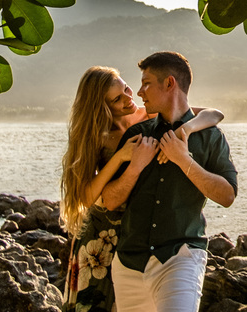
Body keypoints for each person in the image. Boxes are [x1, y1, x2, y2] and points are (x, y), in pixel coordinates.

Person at [59, 66, 224, 312]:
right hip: (100, 237)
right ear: (101, 106)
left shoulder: (148, 117)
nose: (129, 98)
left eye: (126, 88)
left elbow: (214, 114)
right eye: (117, 99)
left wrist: (185, 129)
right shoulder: (97, 135)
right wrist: (121, 158)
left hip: (138, 232)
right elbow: (85, 196)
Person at [101, 52, 238, 312]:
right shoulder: (135, 136)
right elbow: (110, 200)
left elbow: (227, 196)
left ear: (169, 83)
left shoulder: (210, 138)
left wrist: (183, 160)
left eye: (146, 83)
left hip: (181, 258)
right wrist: (136, 167)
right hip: (129, 263)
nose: (139, 92)